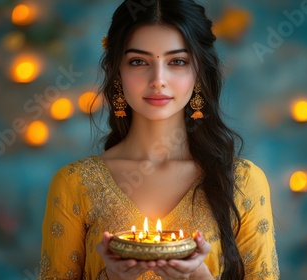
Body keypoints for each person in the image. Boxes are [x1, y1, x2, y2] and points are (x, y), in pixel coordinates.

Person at [39, 0, 279, 279]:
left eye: (177, 61)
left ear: (199, 74)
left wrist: (200, 277)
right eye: (138, 61)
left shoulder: (242, 182)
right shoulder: (74, 184)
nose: (158, 79)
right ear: (117, 73)